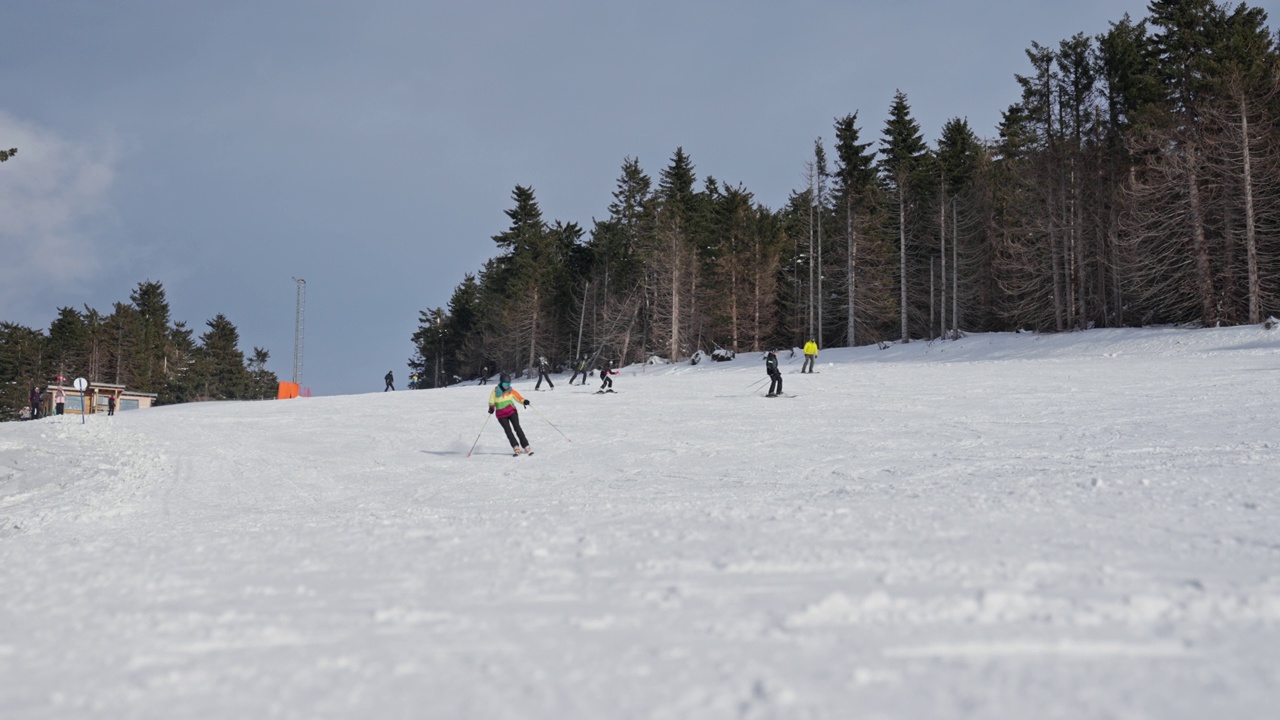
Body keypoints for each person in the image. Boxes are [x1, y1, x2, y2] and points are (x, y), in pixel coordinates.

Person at [488, 373, 533, 455]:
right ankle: (515, 446)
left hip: (511, 411)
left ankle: (525, 445)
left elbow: (518, 398)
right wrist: (491, 408)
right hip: (501, 415)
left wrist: (524, 401)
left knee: (517, 428)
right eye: (505, 384)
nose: (506, 386)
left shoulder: (511, 391)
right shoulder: (495, 391)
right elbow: (491, 401)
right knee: (508, 431)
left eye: (508, 384)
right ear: (501, 382)